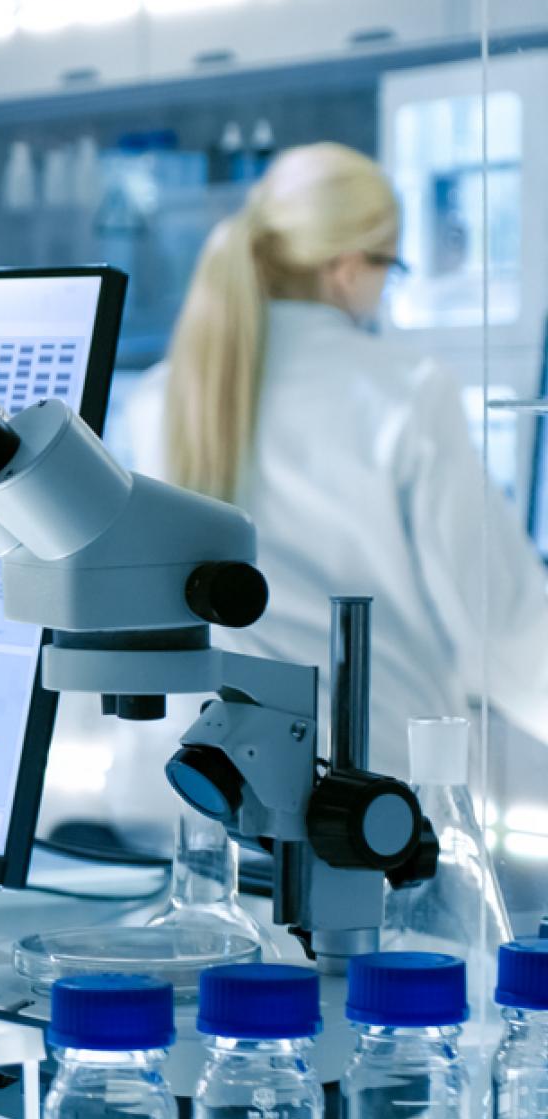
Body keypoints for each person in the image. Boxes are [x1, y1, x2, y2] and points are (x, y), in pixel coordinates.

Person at [112, 142, 548, 805]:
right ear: (346, 269)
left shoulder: (159, 397)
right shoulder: (406, 393)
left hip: (186, 802)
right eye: (390, 266)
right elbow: (500, 621)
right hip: (360, 804)